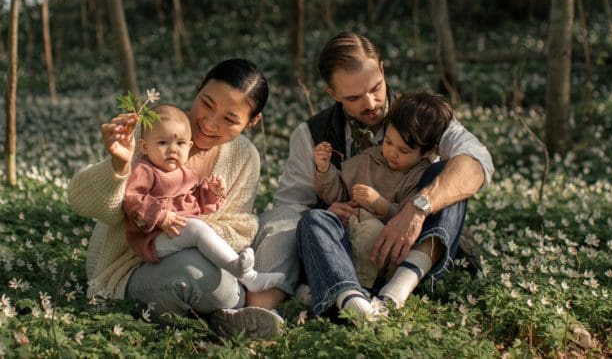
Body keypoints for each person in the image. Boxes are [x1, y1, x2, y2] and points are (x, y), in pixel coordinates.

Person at [247, 31, 494, 324]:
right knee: (311, 221)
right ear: (333, 94)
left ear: (383, 69)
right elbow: (288, 207)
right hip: (351, 250)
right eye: (353, 97)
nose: (371, 103)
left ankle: (398, 289)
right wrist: (325, 212)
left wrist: (417, 208)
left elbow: (478, 163)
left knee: (447, 174)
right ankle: (350, 296)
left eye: (376, 87)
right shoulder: (311, 134)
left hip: (415, 255)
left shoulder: (422, 115)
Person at [67, 59, 285, 338]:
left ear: (252, 122)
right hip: (133, 268)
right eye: (206, 103)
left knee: (281, 229)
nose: (209, 123)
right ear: (198, 88)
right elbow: (85, 202)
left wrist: (189, 230)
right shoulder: (155, 128)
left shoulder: (244, 157)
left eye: (230, 119)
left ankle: (219, 317)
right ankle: (227, 314)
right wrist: (118, 167)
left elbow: (238, 227)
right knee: (194, 275)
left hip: (207, 261)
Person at [123, 104, 284, 292]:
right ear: (144, 146)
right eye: (162, 143)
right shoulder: (144, 170)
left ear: (189, 145)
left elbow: (198, 204)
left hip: (176, 236)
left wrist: (212, 193)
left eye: (180, 143)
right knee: (197, 229)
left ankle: (242, 274)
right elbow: (133, 198)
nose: (172, 150)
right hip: (152, 241)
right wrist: (159, 216)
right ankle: (245, 274)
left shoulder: (188, 175)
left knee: (200, 230)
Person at [312, 92, 450, 298]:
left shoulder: (420, 176)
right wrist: (324, 170)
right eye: (388, 142)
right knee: (315, 223)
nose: (392, 153)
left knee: (371, 229)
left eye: (403, 151)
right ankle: (337, 286)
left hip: (387, 254)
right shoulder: (370, 158)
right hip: (349, 240)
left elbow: (407, 221)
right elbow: (338, 194)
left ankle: (364, 290)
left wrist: (379, 204)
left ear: (426, 151)